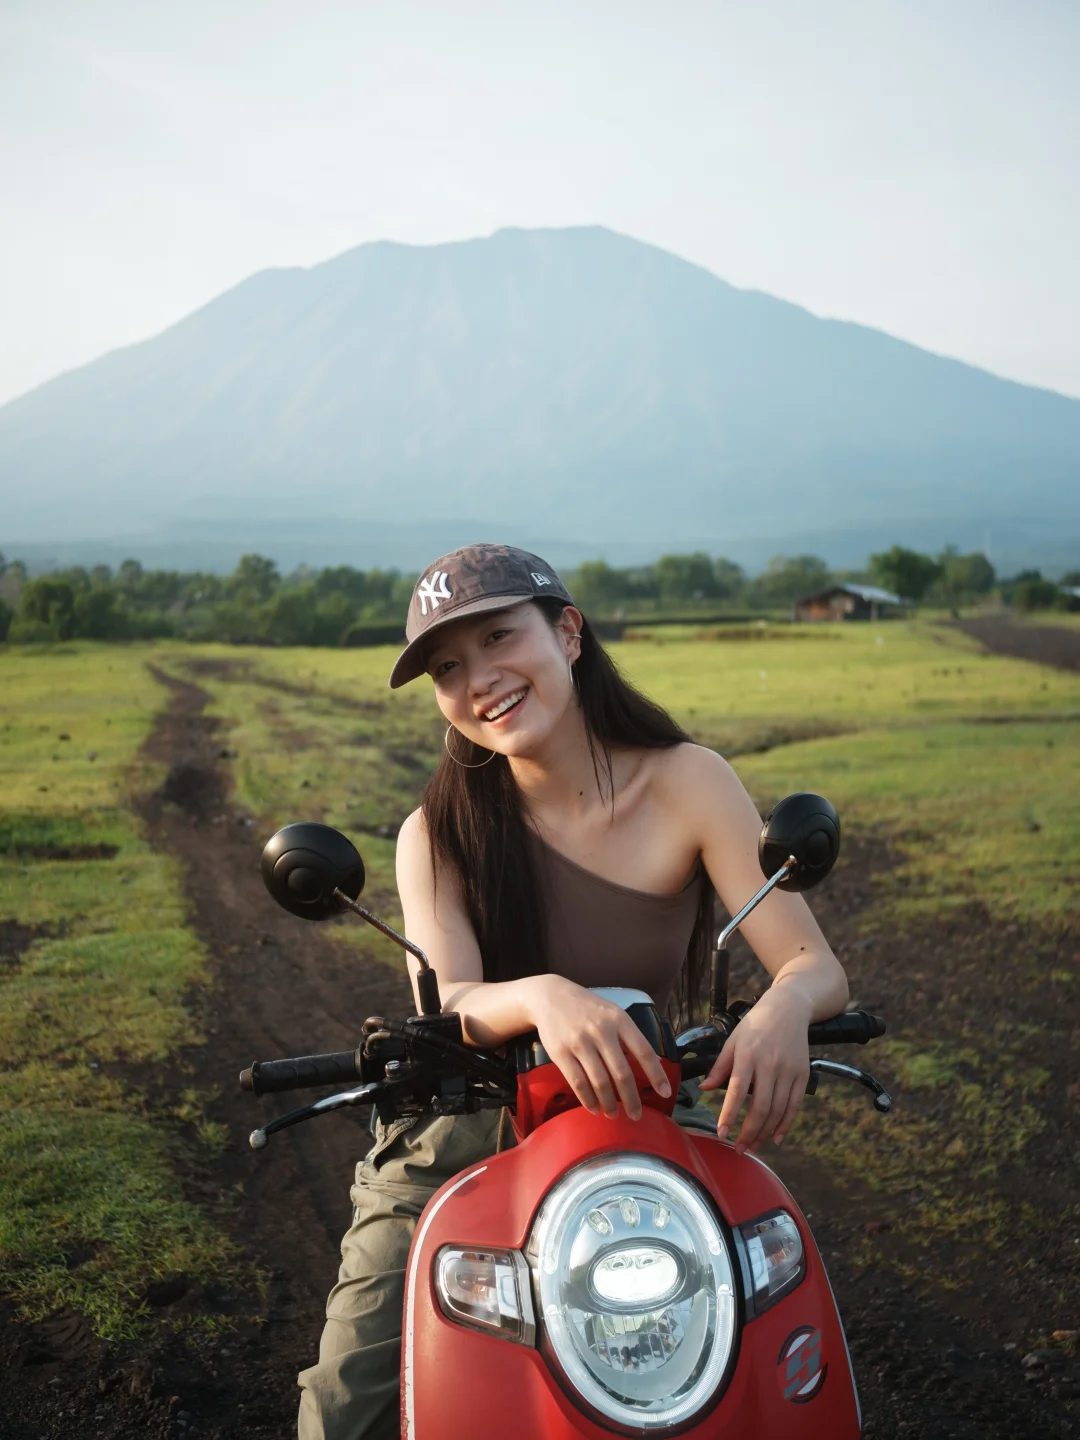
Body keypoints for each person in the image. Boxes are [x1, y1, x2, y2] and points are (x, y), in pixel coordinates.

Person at [297, 543, 849, 1440]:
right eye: (447, 667)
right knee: (345, 1397)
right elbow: (452, 1000)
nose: (478, 679)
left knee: (768, 1345)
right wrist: (543, 997)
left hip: (647, 1100)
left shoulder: (688, 781)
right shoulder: (436, 831)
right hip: (467, 1119)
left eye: (498, 638)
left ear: (568, 632)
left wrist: (783, 1005)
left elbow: (814, 965)